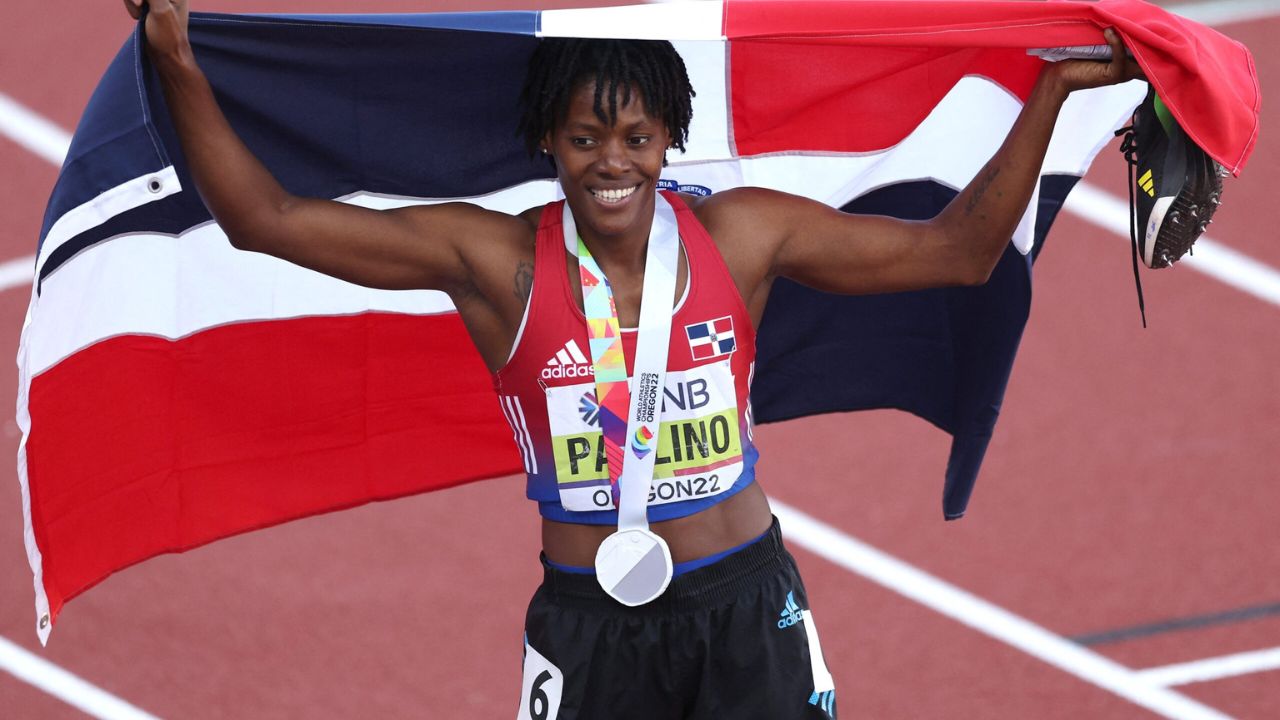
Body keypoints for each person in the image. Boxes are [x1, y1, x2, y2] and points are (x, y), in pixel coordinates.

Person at [124, 1, 1143, 717]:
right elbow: (266, 220)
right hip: (590, 627)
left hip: (746, 603)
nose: (611, 163)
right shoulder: (495, 264)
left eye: (635, 137)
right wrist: (177, 59)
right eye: (584, 140)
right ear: (548, 141)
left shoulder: (742, 238)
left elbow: (957, 253)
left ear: (666, 139)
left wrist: (1051, 93)